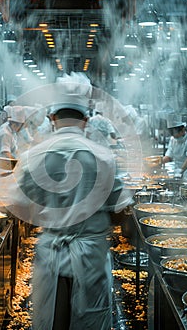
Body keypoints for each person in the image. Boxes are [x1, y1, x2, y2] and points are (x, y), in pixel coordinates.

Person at [8, 72, 132, 330]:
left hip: (51, 253)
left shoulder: (34, 156)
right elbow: (121, 211)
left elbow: (18, 206)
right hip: (91, 255)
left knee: (51, 321)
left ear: (52, 118)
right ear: (86, 120)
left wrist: (52, 214)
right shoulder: (104, 157)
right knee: (90, 321)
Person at [162, 116, 187, 180]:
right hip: (176, 172)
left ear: (182, 130)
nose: (174, 136)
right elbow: (169, 156)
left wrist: (180, 171)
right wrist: (158, 162)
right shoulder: (173, 139)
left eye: (175, 133)